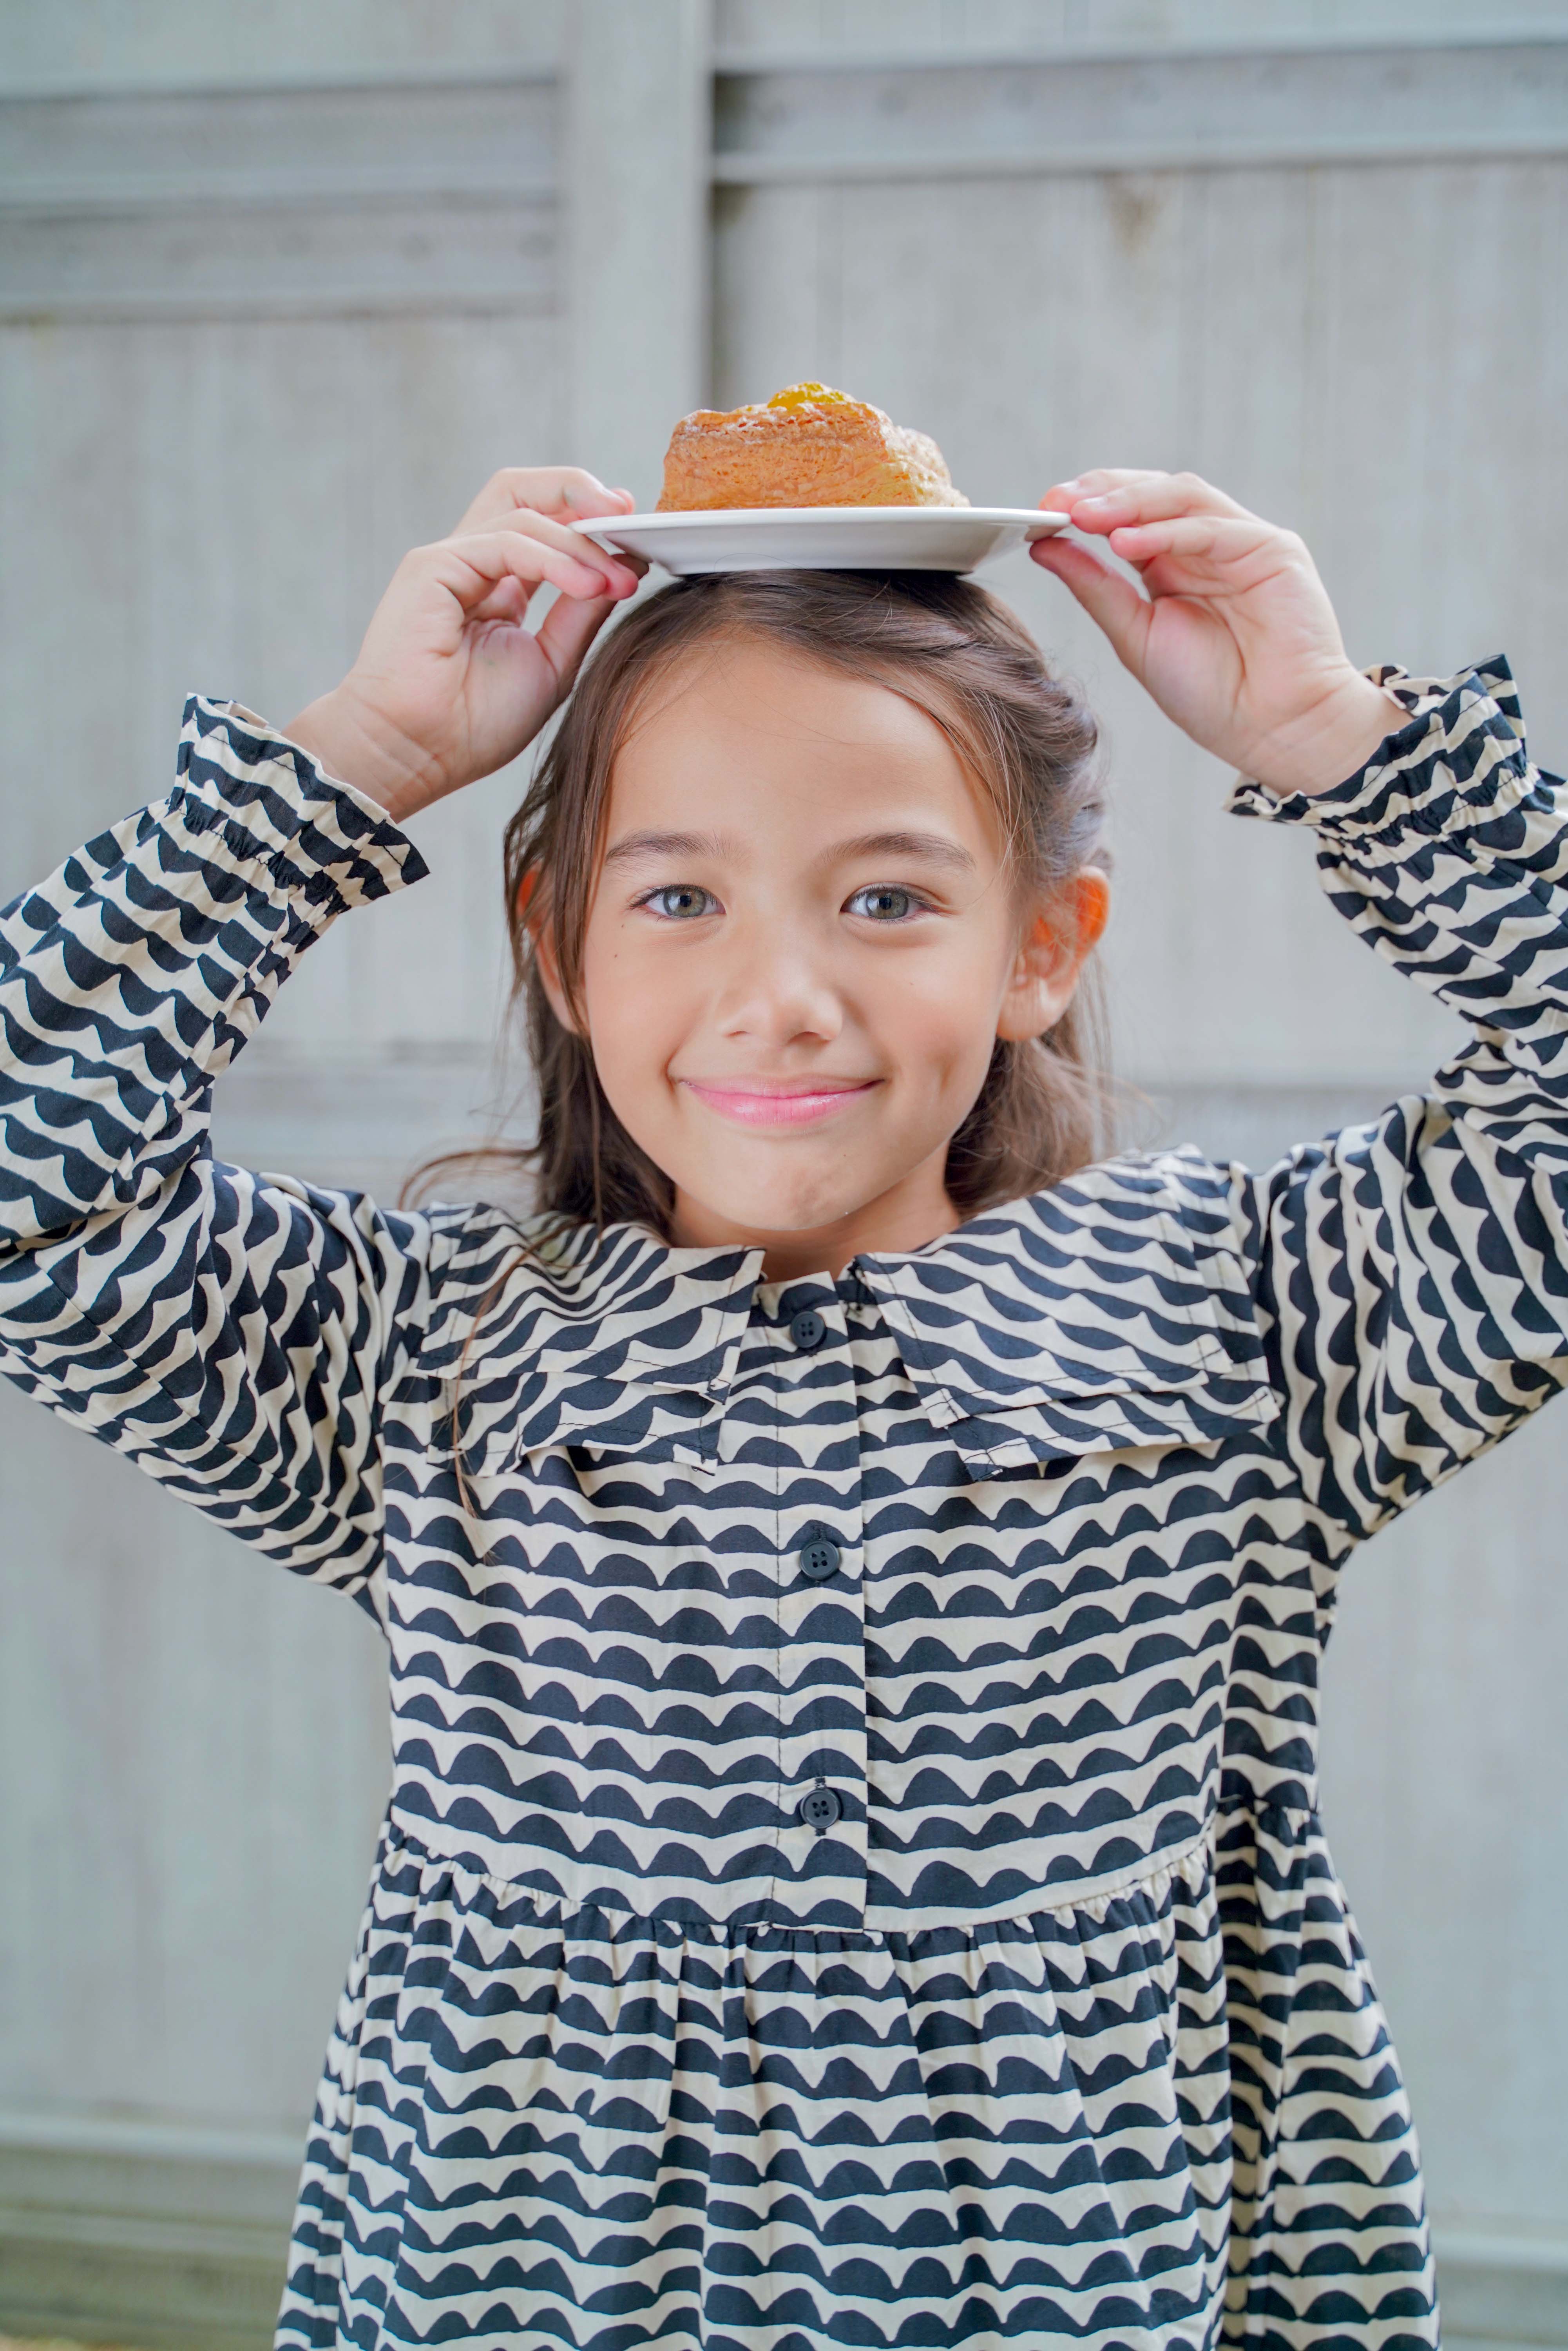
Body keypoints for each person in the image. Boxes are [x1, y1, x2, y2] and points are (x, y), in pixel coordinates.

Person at [0, 461, 1557, 2351]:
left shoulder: (1246, 1325)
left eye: (888, 896)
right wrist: (350, 760)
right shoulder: (427, 1364)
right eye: (676, 896)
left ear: (1040, 949)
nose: (781, 997)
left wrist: (1343, 744)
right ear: (556, 944)